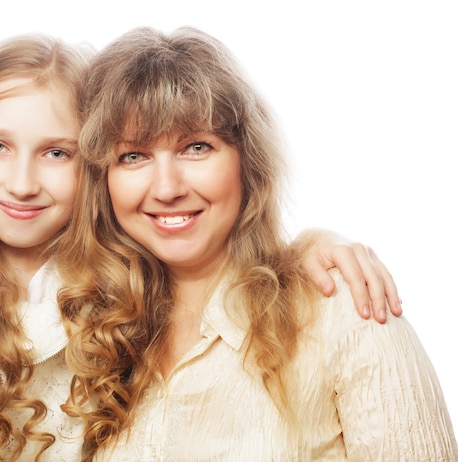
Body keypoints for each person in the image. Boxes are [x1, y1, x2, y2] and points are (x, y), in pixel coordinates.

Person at [0, 32, 401, 462]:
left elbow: (217, 251)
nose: (21, 182)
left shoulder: (127, 278)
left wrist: (305, 247)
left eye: (57, 153)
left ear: (94, 165)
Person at [56, 26, 458, 461]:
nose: (167, 188)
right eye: (133, 155)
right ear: (104, 180)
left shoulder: (344, 307)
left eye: (196, 147)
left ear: (247, 160)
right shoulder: (97, 342)